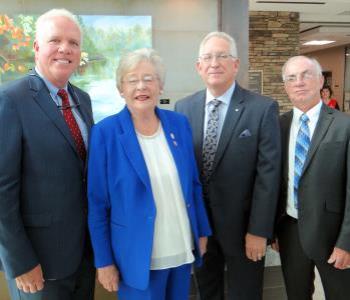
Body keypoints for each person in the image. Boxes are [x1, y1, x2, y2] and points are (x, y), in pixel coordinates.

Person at [87, 48, 211, 300]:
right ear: (121, 89)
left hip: (181, 249)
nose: (141, 86)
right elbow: (97, 203)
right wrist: (103, 261)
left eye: (149, 78)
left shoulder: (179, 124)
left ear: (160, 86)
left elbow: (194, 185)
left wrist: (201, 231)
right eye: (132, 80)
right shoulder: (106, 132)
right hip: (135, 257)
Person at [175, 31, 281, 300]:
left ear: (235, 64)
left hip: (244, 230)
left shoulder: (262, 108)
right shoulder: (183, 108)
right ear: (199, 67)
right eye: (207, 57)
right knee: (206, 291)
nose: (214, 63)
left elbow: (268, 176)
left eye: (222, 56)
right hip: (201, 229)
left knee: (244, 293)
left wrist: (259, 231)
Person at [0, 9, 95, 299]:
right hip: (37, 264)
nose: (65, 49)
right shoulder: (10, 100)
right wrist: (20, 261)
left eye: (74, 42)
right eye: (55, 40)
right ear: (37, 47)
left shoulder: (83, 99)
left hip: (83, 257)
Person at [272, 55, 350, 300]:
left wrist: (347, 242)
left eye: (306, 74)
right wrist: (273, 229)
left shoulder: (344, 125)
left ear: (320, 81)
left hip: (332, 234)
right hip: (290, 231)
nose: (299, 82)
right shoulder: (277, 125)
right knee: (297, 294)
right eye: (291, 78)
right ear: (285, 86)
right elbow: (274, 181)